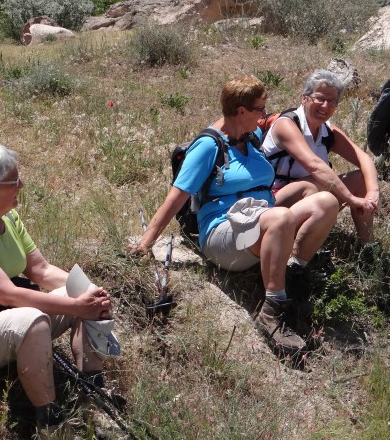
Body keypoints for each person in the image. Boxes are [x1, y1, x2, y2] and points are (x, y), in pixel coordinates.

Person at [128, 75, 339, 357]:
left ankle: (294, 271)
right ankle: (273, 309)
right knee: (280, 218)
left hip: (259, 215)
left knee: (324, 200)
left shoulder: (251, 138)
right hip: (223, 232)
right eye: (260, 109)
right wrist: (146, 242)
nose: (265, 115)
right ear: (241, 111)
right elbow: (176, 197)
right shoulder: (209, 146)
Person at [0, 143, 114, 438]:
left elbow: (41, 270)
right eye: (13, 181)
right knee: (33, 320)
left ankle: (94, 395)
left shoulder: (8, 217)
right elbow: (8, 294)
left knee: (83, 293)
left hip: (1, 318)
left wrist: (88, 292)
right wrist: (77, 307)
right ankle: (50, 424)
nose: (22, 185)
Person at [260, 70, 380, 256]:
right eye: (320, 98)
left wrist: (372, 193)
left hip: (310, 196)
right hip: (273, 199)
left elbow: (364, 159)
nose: (325, 106)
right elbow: (314, 166)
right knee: (314, 183)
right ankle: (297, 255)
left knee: (360, 179)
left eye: (332, 101)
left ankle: (368, 248)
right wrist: (351, 198)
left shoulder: (327, 131)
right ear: (304, 98)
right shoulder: (287, 125)